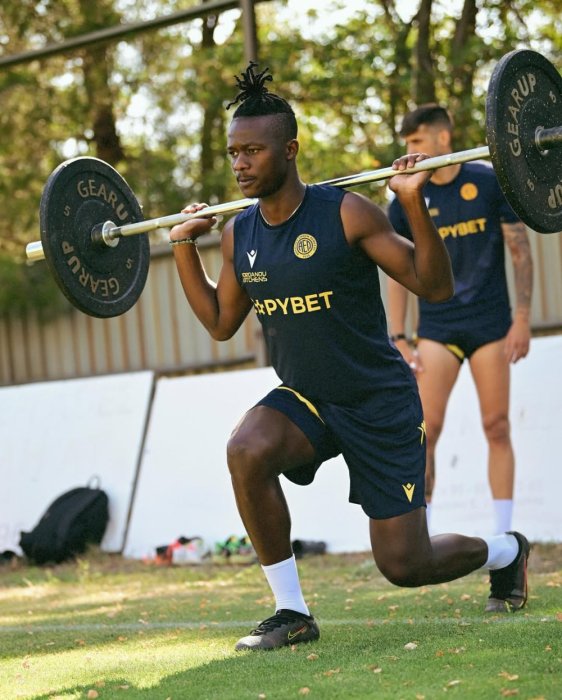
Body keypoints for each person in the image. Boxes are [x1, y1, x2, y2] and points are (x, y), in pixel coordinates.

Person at [169, 63, 530, 651]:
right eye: (234, 153)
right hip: (308, 398)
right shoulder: (240, 234)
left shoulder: (347, 213)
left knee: (405, 564)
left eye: (253, 151)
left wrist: (413, 202)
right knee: (246, 448)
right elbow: (219, 322)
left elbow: (435, 288)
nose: (240, 164)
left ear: (289, 150)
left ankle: (506, 551)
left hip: (378, 402)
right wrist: (185, 246)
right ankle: (291, 611)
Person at [386, 105, 533, 581]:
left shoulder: (488, 181)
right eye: (407, 143)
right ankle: (422, 534)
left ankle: (506, 536)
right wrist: (398, 335)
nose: (410, 151)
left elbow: (519, 249)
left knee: (496, 425)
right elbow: (397, 271)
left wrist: (523, 319)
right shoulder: (405, 196)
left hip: (491, 324)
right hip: (438, 327)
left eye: (416, 142)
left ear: (443, 139)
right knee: (425, 429)